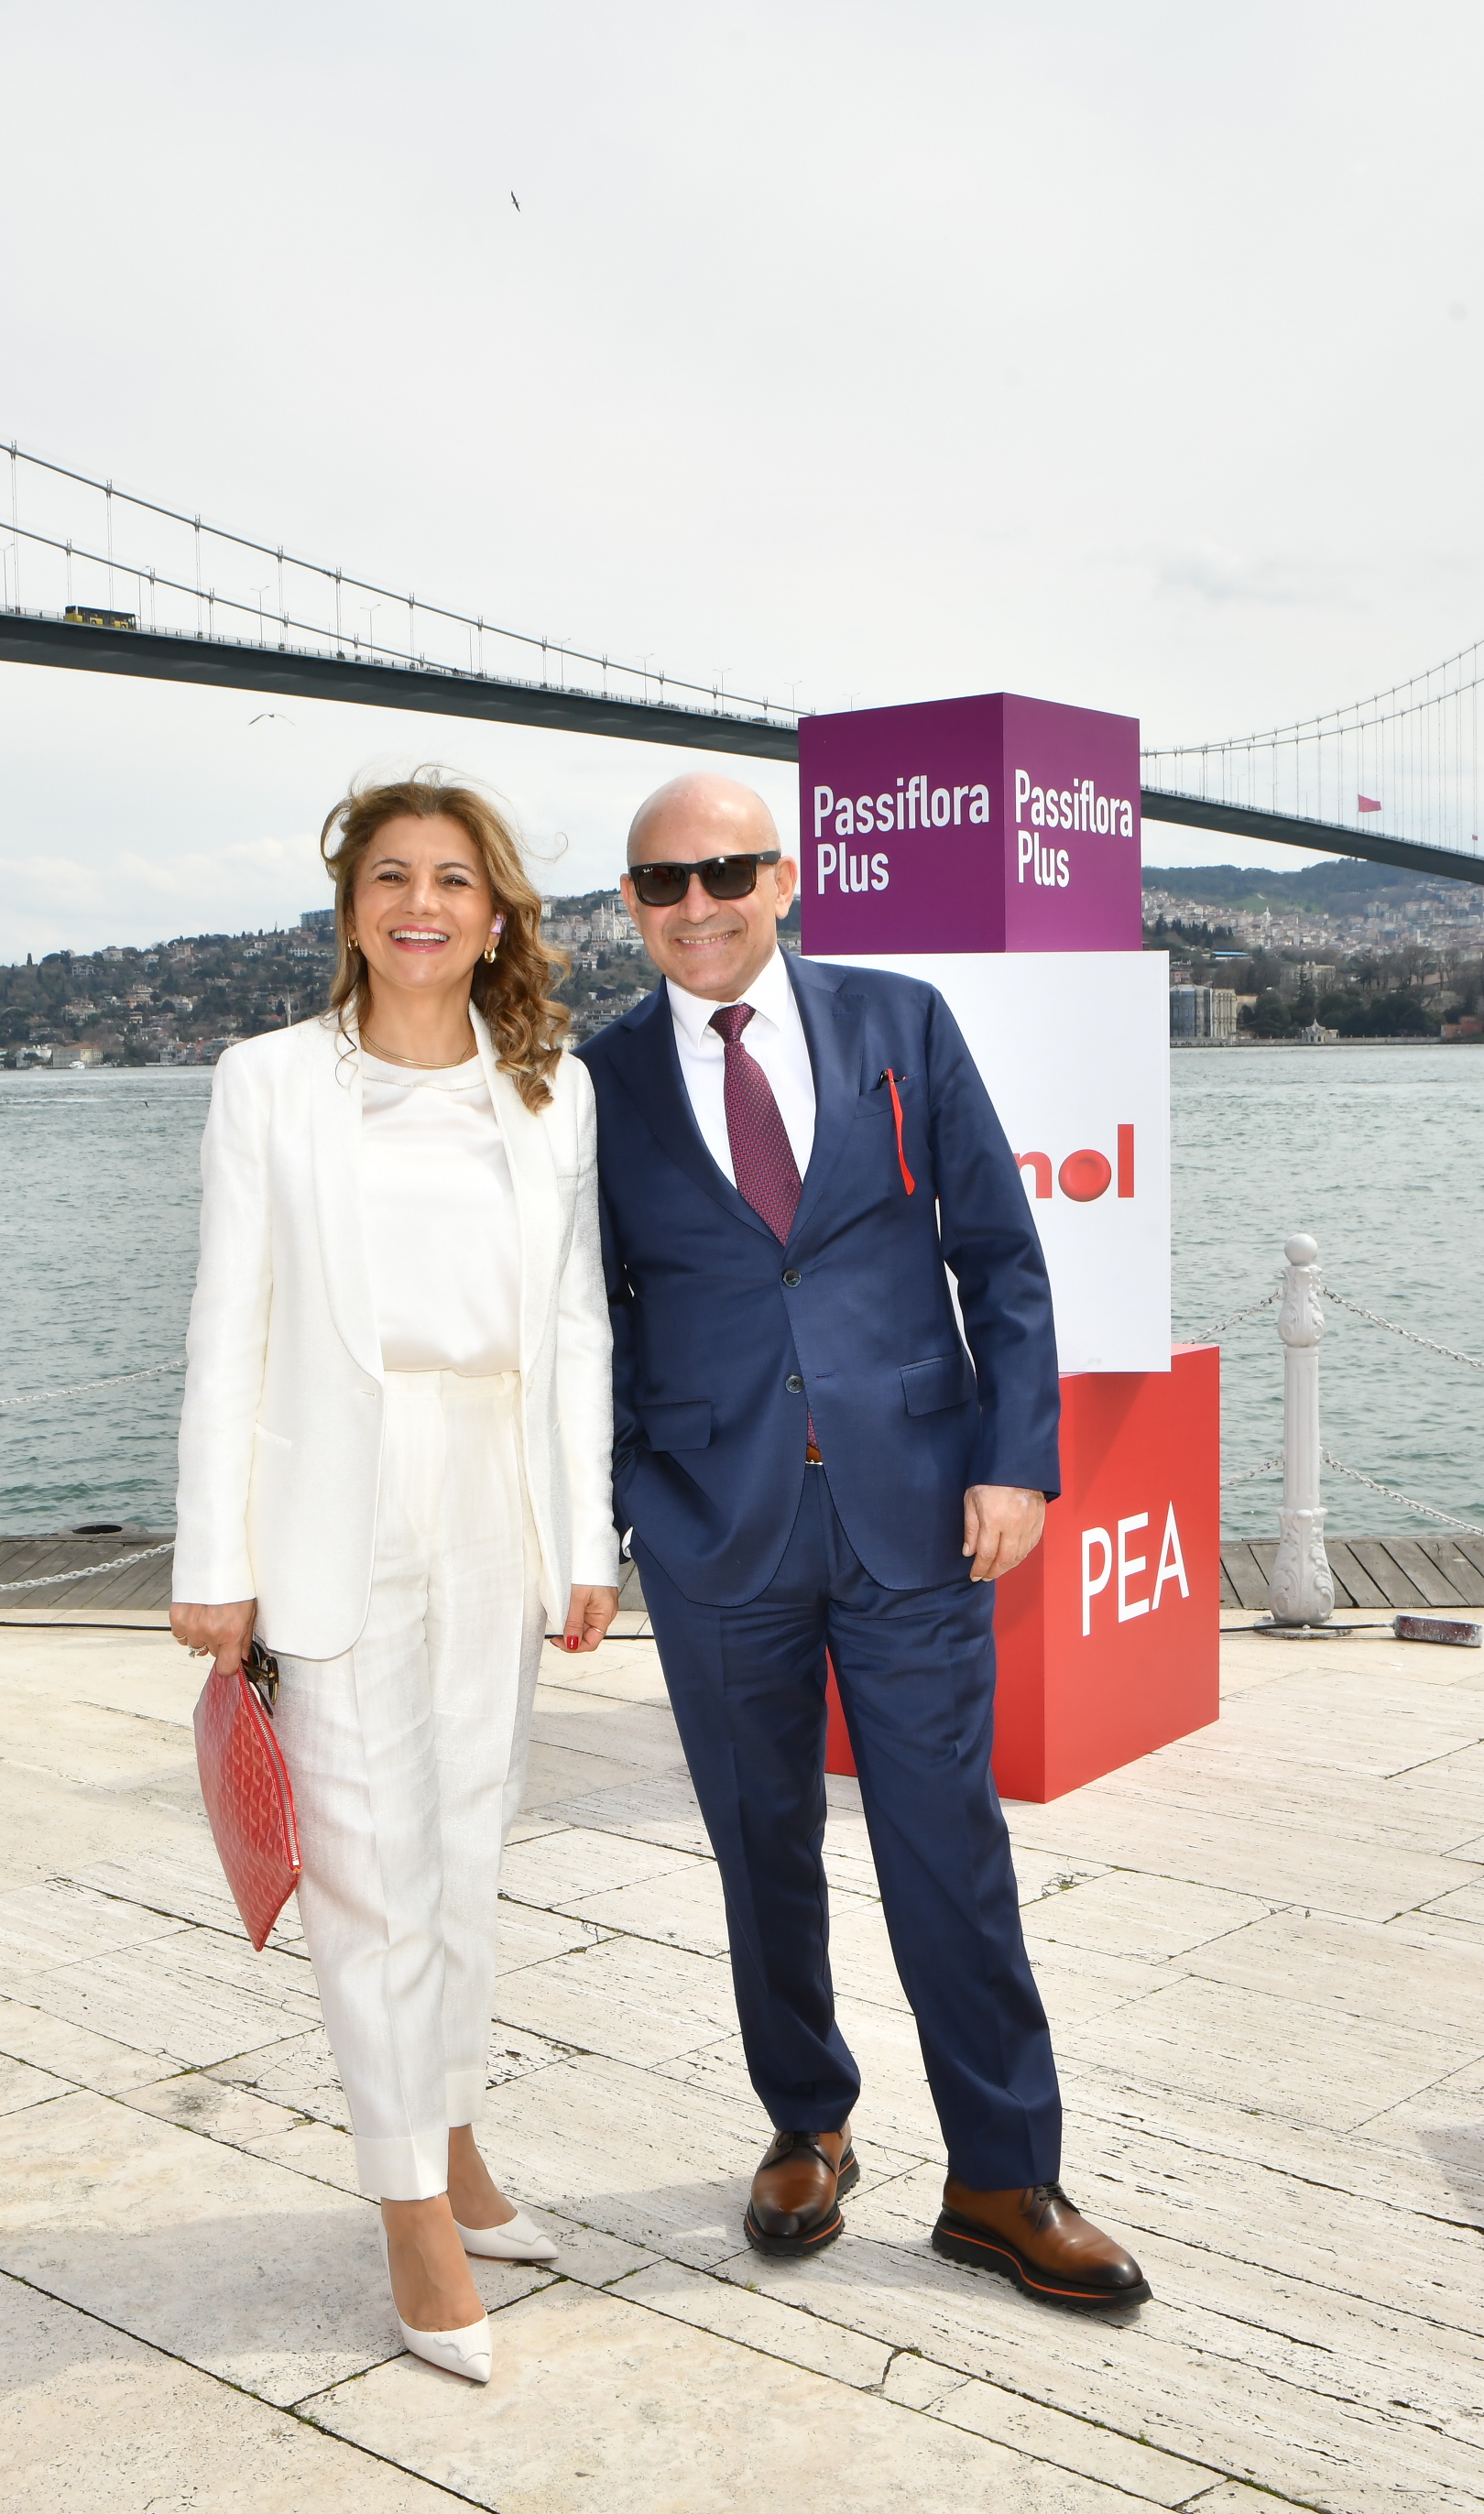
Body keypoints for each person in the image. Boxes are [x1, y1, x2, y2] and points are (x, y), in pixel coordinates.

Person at [579, 771, 1151, 2309]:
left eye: (728, 872)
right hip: (714, 1529)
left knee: (946, 1848)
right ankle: (807, 2122)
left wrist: (1015, 1459)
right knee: (759, 1848)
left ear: (784, 880)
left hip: (916, 1512)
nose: (698, 905)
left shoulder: (903, 1022)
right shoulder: (597, 1081)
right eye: (662, 883)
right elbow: (584, 1316)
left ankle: (1004, 2176)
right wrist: (621, 1505)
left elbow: (1000, 1257)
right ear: (630, 906)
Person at [170, 770, 623, 2385]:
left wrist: (584, 1535)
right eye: (389, 878)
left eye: (451, 880)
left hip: (494, 1484)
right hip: (333, 1510)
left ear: (495, 916)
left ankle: (454, 2132)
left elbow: (575, 1324)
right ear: (350, 907)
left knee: (465, 1845)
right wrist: (212, 1559)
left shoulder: (551, 1093)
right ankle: (411, 2214)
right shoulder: (268, 1081)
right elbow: (230, 1325)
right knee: (367, 1869)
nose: (419, 904)